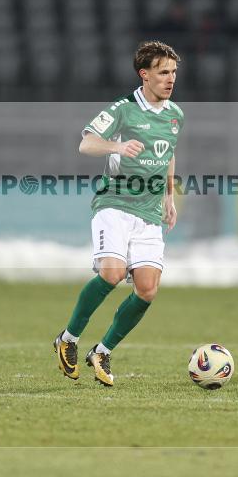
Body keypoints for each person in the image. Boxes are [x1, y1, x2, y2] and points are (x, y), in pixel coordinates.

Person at [54, 41, 184, 387]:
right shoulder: (123, 110)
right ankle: (67, 339)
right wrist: (116, 145)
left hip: (149, 211)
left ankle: (103, 350)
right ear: (145, 75)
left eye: (173, 72)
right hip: (114, 204)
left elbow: (168, 153)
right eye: (163, 72)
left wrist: (170, 196)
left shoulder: (175, 115)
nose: (170, 79)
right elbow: (86, 143)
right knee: (112, 274)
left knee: (147, 289)